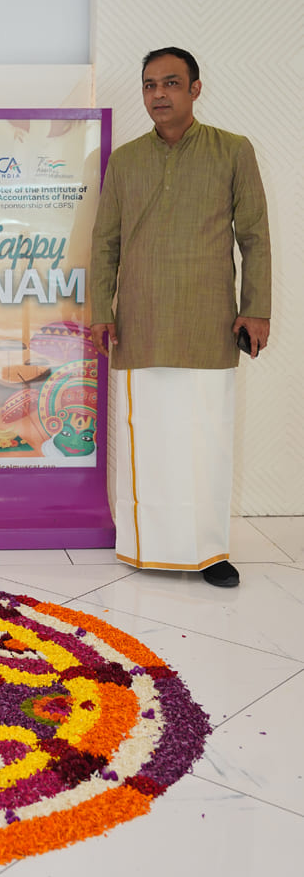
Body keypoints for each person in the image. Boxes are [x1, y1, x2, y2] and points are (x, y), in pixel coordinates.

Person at [90, 48, 271, 588]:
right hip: (140, 320)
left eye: (171, 83)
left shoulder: (232, 151)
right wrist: (101, 311)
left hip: (208, 320)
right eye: (150, 85)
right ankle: (143, 545)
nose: (158, 94)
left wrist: (255, 308)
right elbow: (105, 243)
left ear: (195, 89)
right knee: (147, 437)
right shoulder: (125, 160)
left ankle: (209, 552)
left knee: (206, 437)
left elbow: (254, 237)